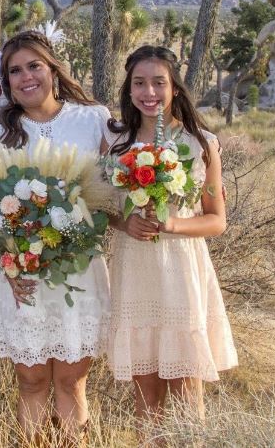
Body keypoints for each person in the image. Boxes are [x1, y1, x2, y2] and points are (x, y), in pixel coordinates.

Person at [0, 30, 112, 447]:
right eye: (14, 71)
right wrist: (7, 264)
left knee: (71, 381)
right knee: (30, 381)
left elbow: (118, 181)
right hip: (20, 276)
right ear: (6, 81)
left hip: (77, 272)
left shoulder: (92, 119)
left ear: (53, 69)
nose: (26, 77)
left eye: (34, 66)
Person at [104, 45, 237, 442]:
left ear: (174, 87)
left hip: (181, 271)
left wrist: (174, 223)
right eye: (139, 83)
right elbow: (100, 210)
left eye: (158, 83)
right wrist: (124, 223)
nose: (149, 92)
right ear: (129, 90)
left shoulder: (201, 144)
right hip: (134, 270)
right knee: (146, 399)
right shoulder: (115, 145)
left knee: (186, 393)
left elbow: (217, 220)